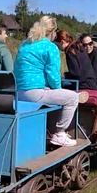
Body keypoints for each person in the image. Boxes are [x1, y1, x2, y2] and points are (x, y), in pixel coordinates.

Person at [14, 16, 79, 147]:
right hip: (34, 93)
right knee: (72, 98)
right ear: (52, 32)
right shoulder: (50, 47)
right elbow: (53, 76)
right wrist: (58, 89)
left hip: (17, 92)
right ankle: (60, 133)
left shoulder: (24, 44)